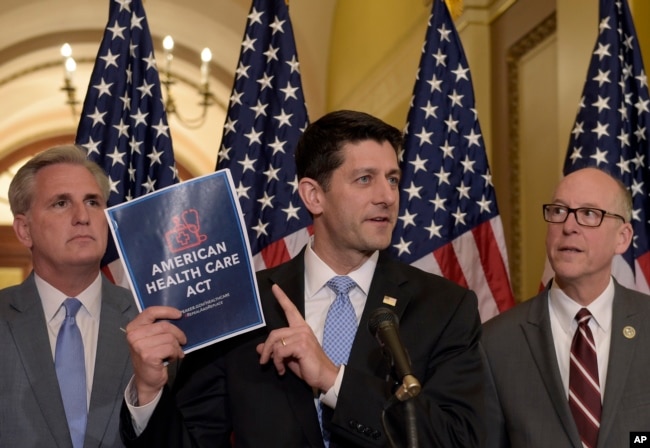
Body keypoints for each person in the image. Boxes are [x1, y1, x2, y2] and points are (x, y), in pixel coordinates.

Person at [119, 110, 484, 447]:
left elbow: (462, 437)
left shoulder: (445, 306)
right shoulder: (242, 304)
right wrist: (149, 392)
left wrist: (332, 381)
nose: (387, 196)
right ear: (313, 195)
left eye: (392, 179)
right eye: (365, 179)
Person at [481, 167, 650, 447]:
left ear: (622, 237)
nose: (569, 226)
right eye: (559, 211)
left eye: (589, 214)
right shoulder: (495, 343)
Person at [0, 145, 137, 447]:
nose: (82, 216)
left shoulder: (149, 322)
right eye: (61, 203)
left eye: (92, 202)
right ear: (24, 231)